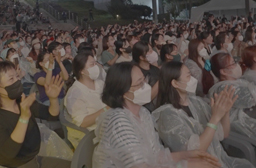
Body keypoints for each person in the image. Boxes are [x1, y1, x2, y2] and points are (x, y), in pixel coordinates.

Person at [92, 62, 221, 168]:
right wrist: (184, 165)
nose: (146, 87)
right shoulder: (119, 123)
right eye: (140, 84)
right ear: (124, 92)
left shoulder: (143, 114)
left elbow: (156, 156)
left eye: (144, 80)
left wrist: (188, 155)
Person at [153, 61, 253, 168]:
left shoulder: (196, 103)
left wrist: (225, 111)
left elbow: (224, 133)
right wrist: (215, 117)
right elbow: (195, 153)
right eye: (188, 76)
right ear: (175, 83)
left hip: (217, 161)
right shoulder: (167, 116)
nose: (193, 79)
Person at [0, 61, 70, 168]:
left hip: (34, 159)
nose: (17, 81)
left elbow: (52, 115)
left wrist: (53, 99)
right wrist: (23, 118)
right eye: (11, 79)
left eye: (17, 77)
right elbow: (9, 152)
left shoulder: (22, 102)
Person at [64, 52, 108, 148]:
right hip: (94, 133)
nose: (96, 67)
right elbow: (83, 122)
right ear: (82, 71)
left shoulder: (100, 83)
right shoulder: (75, 93)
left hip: (109, 124)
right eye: (92, 64)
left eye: (95, 63)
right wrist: (105, 109)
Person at [132, 41, 160, 111]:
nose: (153, 53)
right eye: (149, 51)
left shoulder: (155, 69)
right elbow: (146, 98)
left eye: (152, 50)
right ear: (141, 57)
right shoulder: (136, 73)